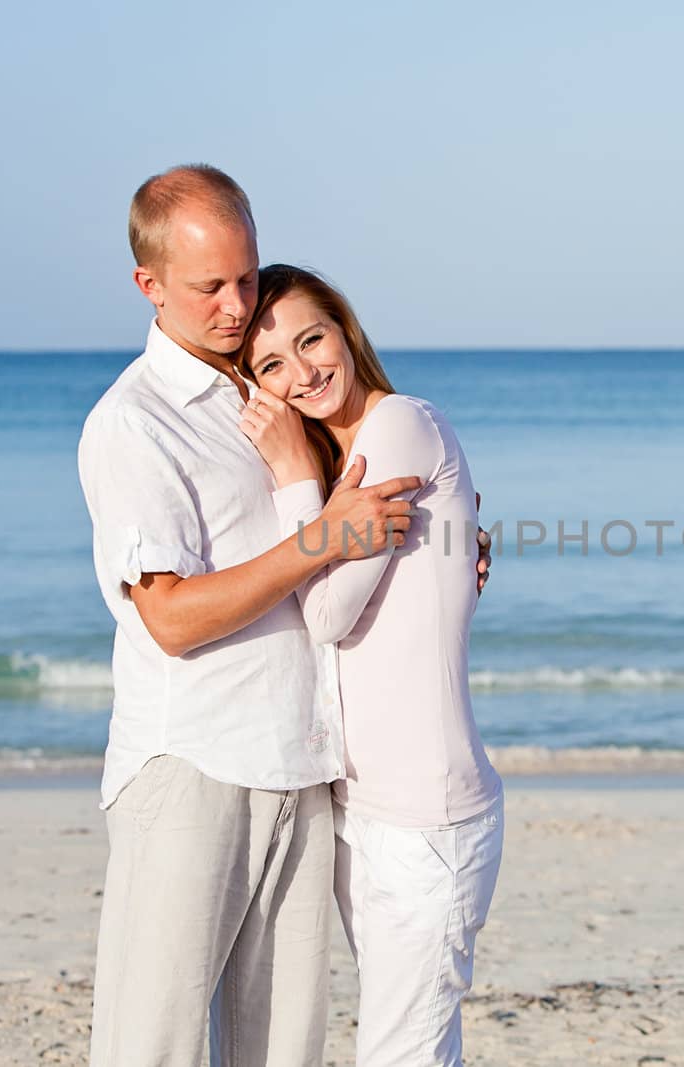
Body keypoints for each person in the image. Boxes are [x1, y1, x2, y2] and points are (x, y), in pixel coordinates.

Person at [77, 164, 461, 1066]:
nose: (236, 304)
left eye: (247, 277)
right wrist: (323, 539)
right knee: (152, 1048)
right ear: (149, 285)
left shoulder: (271, 390)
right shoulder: (136, 423)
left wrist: (454, 548)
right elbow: (168, 617)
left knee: (283, 1052)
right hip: (194, 768)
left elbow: (375, 517)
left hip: (304, 767)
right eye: (209, 286)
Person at [237, 264, 505, 1067]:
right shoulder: (343, 467)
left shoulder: (398, 428)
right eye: (271, 365)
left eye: (311, 338)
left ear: (344, 330)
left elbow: (324, 613)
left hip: (429, 820)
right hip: (362, 809)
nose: (303, 371)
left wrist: (291, 475)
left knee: (403, 1051)